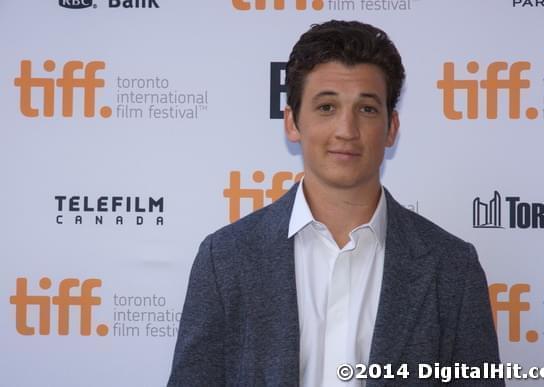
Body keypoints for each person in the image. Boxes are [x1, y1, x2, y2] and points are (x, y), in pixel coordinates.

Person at [168, 20, 502, 386]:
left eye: (367, 109)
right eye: (327, 107)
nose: (346, 129)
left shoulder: (452, 269)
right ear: (293, 123)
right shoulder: (225, 260)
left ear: (391, 128)